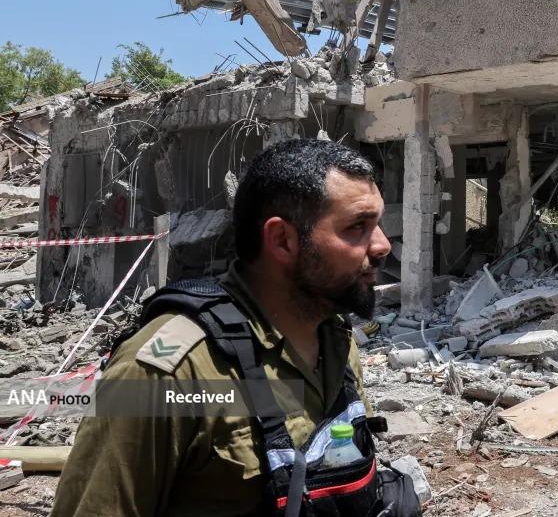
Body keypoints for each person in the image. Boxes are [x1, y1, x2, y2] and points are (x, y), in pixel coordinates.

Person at [51, 139, 415, 516]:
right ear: (283, 240)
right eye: (357, 227)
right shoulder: (166, 373)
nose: (383, 245)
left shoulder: (337, 340)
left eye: (377, 224)